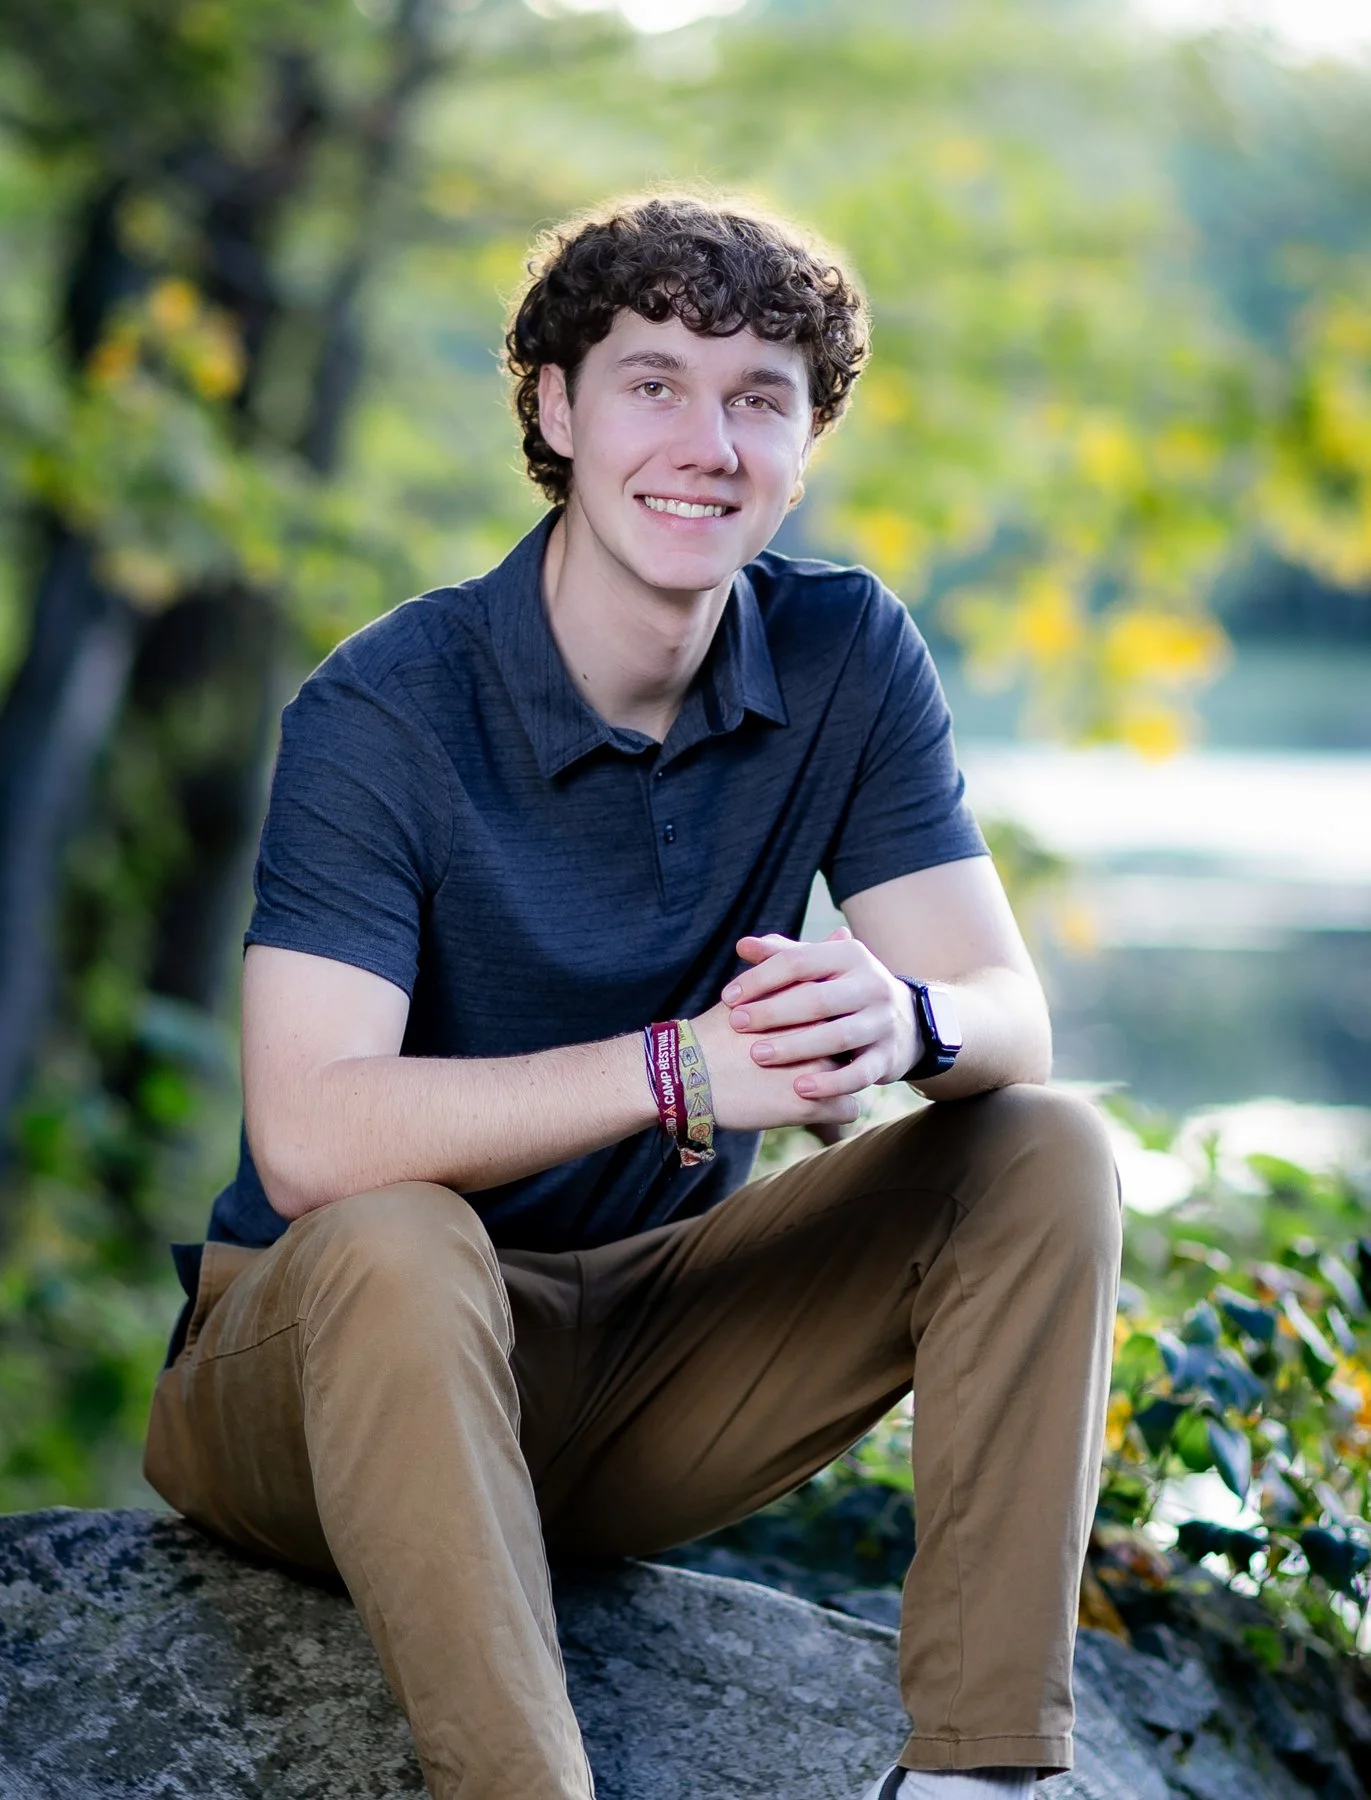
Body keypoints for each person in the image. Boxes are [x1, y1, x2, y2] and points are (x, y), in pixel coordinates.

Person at [143, 193, 1122, 1800]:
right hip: (321, 1381)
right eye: (652, 382)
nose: (707, 441)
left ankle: (976, 1776)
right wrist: (677, 1072)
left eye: (760, 399)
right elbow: (313, 1138)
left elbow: (1005, 1010)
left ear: (805, 444)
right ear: (554, 407)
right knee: (394, 1232)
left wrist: (905, 1025)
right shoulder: (385, 706)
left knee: (1041, 1149)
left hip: (625, 1376)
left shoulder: (844, 652)